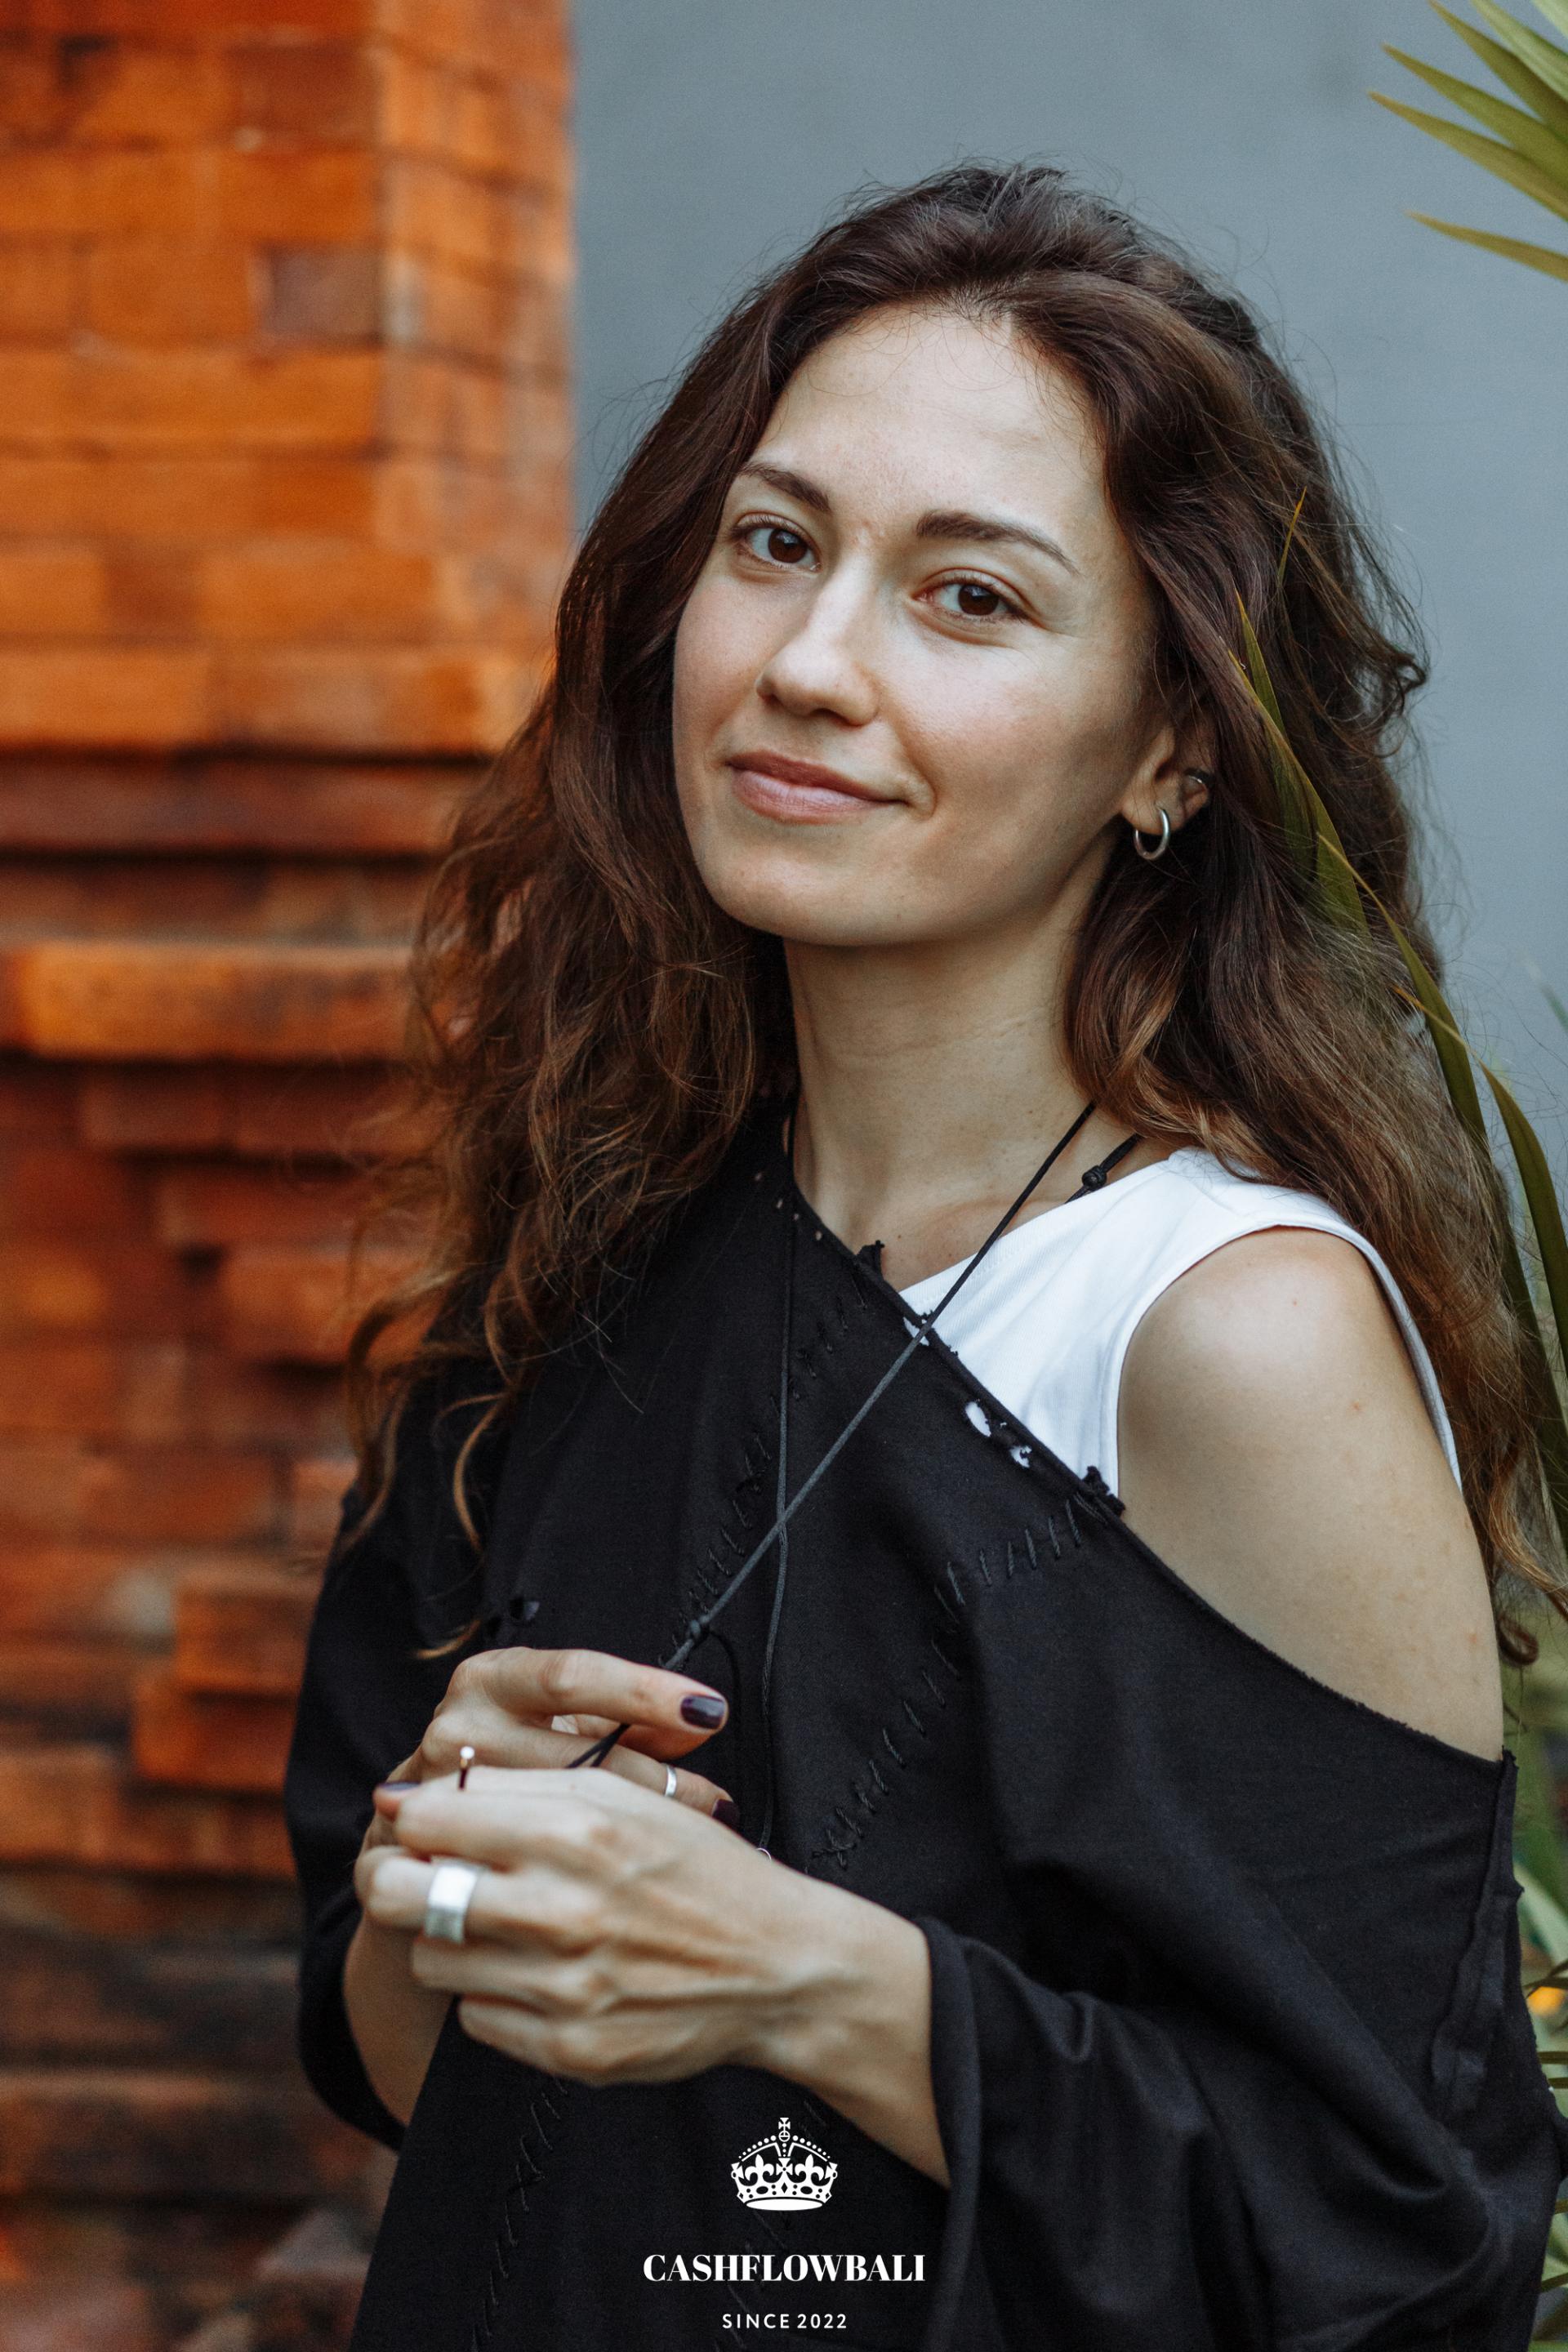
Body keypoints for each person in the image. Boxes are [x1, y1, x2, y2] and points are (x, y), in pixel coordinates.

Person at [284, 165, 1568, 2352]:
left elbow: (1395, 2235)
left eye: (968, 598)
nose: (807, 665)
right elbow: (414, 2081)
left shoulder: (1223, 1334)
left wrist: (823, 1983)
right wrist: (454, 1864)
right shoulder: (582, 1257)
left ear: (1170, 745)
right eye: (776, 545)